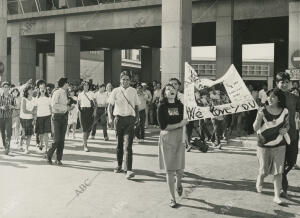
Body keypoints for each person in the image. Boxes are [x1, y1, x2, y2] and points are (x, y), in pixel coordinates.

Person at [253, 88, 289, 205]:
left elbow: (287, 125)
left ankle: (277, 196)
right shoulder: (262, 110)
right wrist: (259, 117)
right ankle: (260, 177)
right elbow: (255, 128)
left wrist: (285, 129)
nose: (270, 98)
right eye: (269, 96)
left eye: (273, 96)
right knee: (264, 171)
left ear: (279, 99)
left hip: (279, 144)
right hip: (263, 145)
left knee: (278, 172)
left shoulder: (285, 111)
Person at [157, 83, 188, 208]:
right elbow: (163, 126)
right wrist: (180, 124)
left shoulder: (181, 105)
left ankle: (179, 184)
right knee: (170, 170)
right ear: (164, 93)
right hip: (167, 138)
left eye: (173, 88)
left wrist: (184, 124)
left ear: (176, 92)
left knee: (180, 170)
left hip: (180, 137)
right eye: (168, 89)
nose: (171, 90)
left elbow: (185, 121)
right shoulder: (161, 107)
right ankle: (172, 197)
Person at [108, 71, 139, 180]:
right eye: (123, 79)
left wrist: (137, 118)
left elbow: (136, 105)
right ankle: (119, 165)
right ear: (120, 80)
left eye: (127, 79)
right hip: (118, 119)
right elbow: (110, 106)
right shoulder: (115, 91)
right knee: (119, 144)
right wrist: (110, 118)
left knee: (128, 146)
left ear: (130, 81)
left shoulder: (133, 91)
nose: (125, 81)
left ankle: (129, 170)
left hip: (130, 120)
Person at [275, 72, 300, 197]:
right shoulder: (272, 96)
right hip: (277, 135)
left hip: (293, 134)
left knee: (291, 162)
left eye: (286, 82)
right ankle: (281, 188)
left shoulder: (294, 97)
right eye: (281, 82)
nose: (284, 84)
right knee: (280, 162)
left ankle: (282, 176)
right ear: (277, 83)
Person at [47, 77, 69, 165]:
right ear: (64, 84)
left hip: (64, 117)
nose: (68, 84)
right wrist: (66, 108)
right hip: (56, 117)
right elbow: (54, 105)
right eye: (67, 83)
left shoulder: (64, 93)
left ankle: (59, 159)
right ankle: (49, 155)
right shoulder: (57, 92)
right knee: (56, 140)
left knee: (62, 140)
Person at [34, 80, 52, 158]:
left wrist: (52, 117)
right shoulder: (36, 99)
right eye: (41, 88)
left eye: (44, 87)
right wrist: (34, 118)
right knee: (41, 133)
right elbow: (35, 109)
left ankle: (46, 149)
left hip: (47, 117)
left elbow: (51, 108)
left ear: (46, 89)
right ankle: (41, 144)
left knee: (46, 134)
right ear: (38, 89)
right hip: (39, 117)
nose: (42, 89)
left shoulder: (49, 98)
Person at [78, 81, 95, 152]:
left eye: (87, 85)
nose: (86, 86)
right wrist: (79, 113)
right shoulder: (80, 94)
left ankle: (84, 140)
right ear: (83, 86)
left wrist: (94, 112)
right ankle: (85, 145)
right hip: (83, 111)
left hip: (90, 111)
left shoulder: (92, 93)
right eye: (85, 85)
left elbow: (94, 103)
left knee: (89, 128)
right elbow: (78, 104)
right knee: (84, 129)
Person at [20, 84, 36, 154]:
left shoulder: (34, 99)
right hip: (23, 118)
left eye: (32, 89)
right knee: (24, 134)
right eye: (30, 89)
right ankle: (21, 143)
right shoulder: (24, 99)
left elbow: (35, 110)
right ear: (26, 91)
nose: (31, 91)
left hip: (30, 118)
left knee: (29, 134)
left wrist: (34, 118)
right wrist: (32, 112)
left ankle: (26, 148)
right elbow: (24, 110)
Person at [0, 82, 15, 155]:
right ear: (2, 88)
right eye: (4, 87)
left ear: (9, 88)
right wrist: (1, 107)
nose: (6, 88)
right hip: (1, 117)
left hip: (9, 117)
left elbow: (14, 105)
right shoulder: (0, 97)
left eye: (7, 87)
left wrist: (12, 107)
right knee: (2, 133)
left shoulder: (11, 96)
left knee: (8, 133)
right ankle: (4, 145)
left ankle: (7, 148)